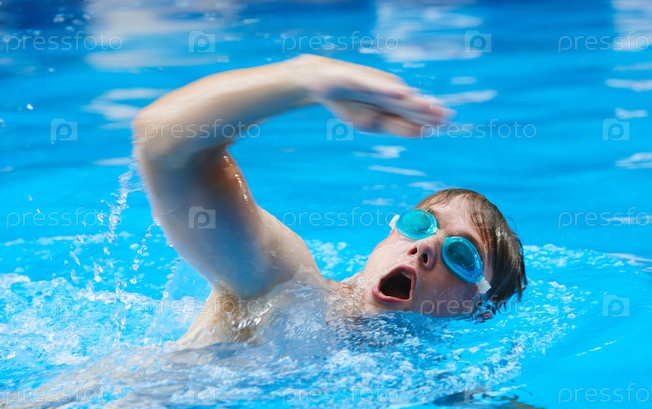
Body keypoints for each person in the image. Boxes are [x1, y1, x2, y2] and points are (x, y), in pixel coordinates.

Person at [133, 54, 526, 346]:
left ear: (478, 309)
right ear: (389, 235)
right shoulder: (284, 287)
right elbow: (164, 147)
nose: (425, 246)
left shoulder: (416, 371)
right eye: (420, 224)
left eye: (462, 255)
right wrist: (302, 81)